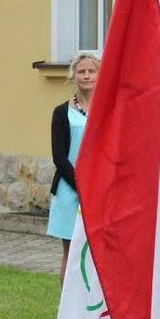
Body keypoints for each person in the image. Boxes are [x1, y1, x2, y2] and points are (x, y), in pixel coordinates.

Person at [47, 52, 99, 283]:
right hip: (70, 190)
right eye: (81, 71)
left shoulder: (108, 108)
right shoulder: (61, 112)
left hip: (100, 189)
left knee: (97, 253)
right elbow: (59, 156)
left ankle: (92, 311)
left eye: (91, 71)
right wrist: (80, 183)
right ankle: (67, 312)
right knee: (70, 252)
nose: (86, 76)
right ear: (73, 76)